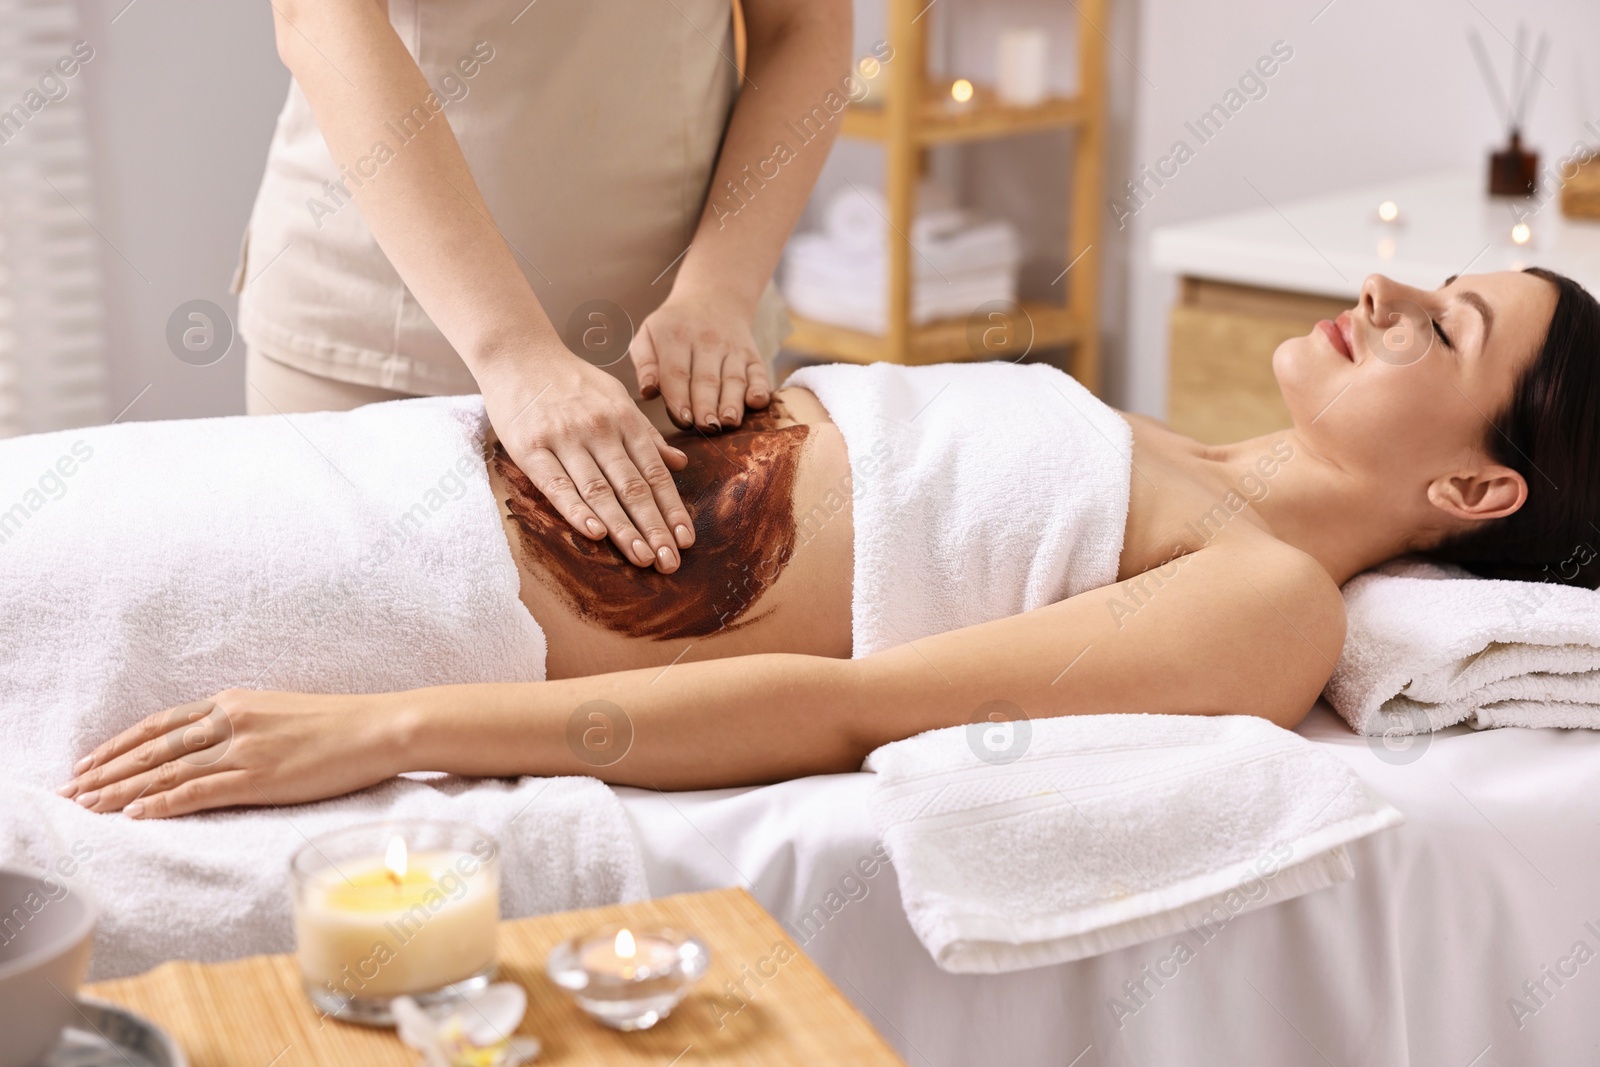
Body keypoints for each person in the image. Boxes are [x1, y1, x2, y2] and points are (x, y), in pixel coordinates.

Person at [58, 269, 1600, 818]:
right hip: (389, 465)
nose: (1388, 293)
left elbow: (851, 712)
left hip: (403, 592)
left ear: (1478, 495)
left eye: (1443, 328)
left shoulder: (1269, 600)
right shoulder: (1153, 443)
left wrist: (383, 726)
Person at [238, 0, 851, 575]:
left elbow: (803, 23)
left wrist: (719, 289)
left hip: (679, 361)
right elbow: (320, 20)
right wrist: (512, 349)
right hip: (373, 344)